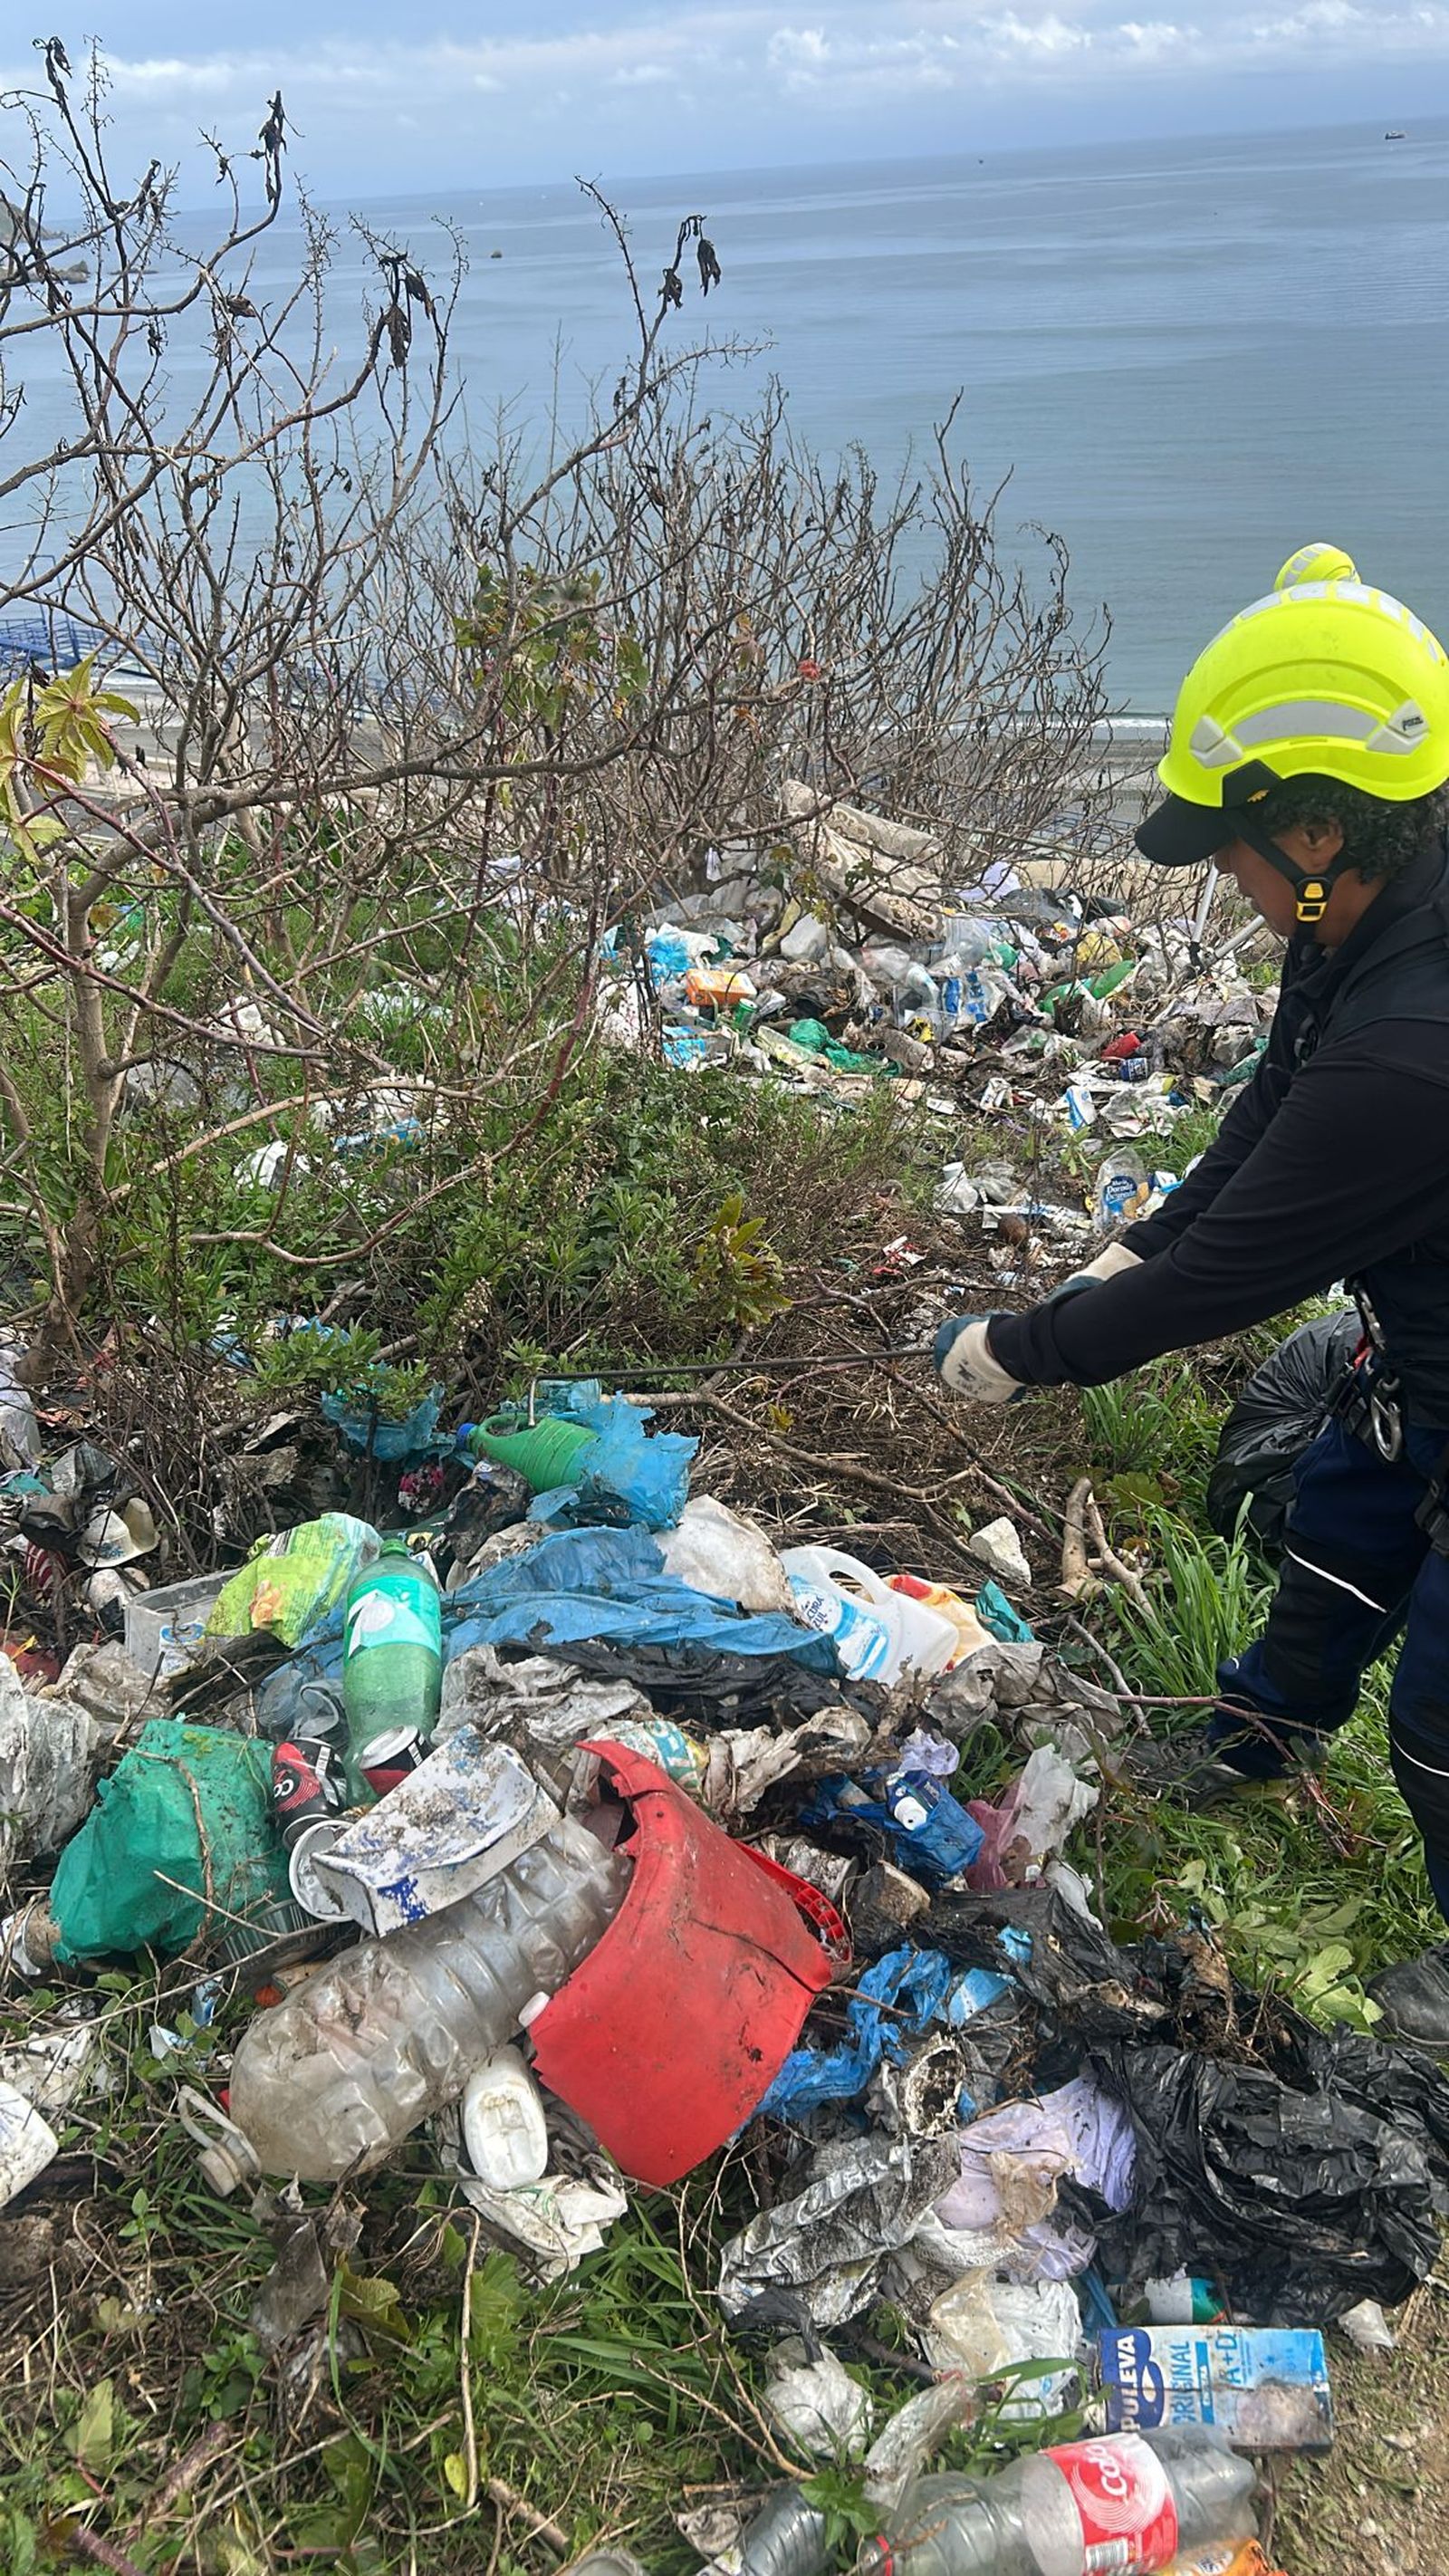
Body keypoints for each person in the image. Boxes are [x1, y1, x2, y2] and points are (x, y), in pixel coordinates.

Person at [935, 546, 1449, 2044]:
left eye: (1232, 844)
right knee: (1344, 1527)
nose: (1226, 874)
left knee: (1441, 1715)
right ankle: (1259, 1737)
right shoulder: (1359, 923)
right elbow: (1264, 1130)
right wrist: (1131, 1244)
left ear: (1316, 826)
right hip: (1426, 1342)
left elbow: (1229, 1280)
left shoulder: (1414, 1045)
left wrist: (1021, 1349)